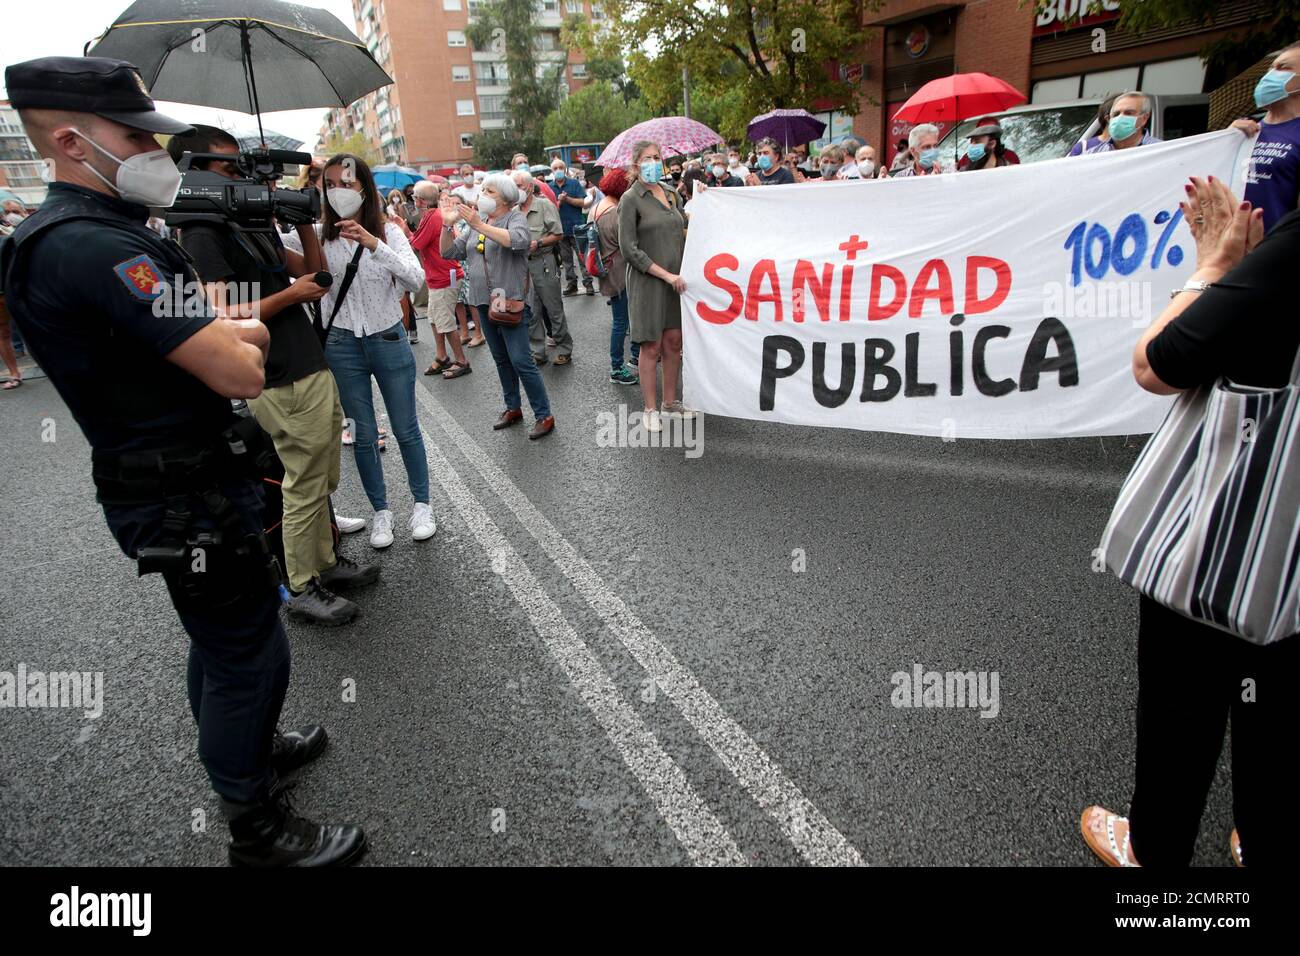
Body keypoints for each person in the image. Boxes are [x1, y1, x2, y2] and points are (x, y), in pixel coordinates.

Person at [0, 55, 365, 866]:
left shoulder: (93, 234)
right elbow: (240, 363)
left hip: (184, 477)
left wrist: (228, 328)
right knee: (249, 650)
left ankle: (247, 756)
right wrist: (241, 332)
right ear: (68, 140)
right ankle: (255, 826)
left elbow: (216, 323)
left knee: (221, 638)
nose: (152, 150)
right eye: (133, 135)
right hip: (180, 490)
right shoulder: (93, 248)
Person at [1083, 176, 1297, 869]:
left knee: (1186, 703)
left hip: (1234, 544)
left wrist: (1211, 266)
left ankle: (1155, 849)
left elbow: (1160, 361)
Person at [168, 124, 378, 626]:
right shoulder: (202, 231)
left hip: (307, 359)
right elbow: (219, 315)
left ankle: (326, 563)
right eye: (227, 165)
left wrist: (301, 215)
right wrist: (287, 297)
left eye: (241, 163)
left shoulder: (251, 220)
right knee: (303, 480)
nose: (239, 172)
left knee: (322, 472)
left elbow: (313, 268)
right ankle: (302, 586)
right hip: (277, 373)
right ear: (194, 171)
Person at [284, 153, 434, 550]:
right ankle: (381, 512)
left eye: (346, 183)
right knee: (363, 434)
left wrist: (373, 243)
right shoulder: (317, 236)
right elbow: (274, 250)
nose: (339, 191)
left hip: (387, 338)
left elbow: (416, 279)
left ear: (365, 188)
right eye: (330, 184)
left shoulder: (389, 232)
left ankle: (422, 505)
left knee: (406, 429)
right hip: (342, 344)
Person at [440, 173, 555, 439]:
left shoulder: (513, 218)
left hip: (506, 297)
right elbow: (449, 252)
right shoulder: (477, 224)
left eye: (489, 192)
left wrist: (479, 224)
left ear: (505, 198)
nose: (482, 196)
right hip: (482, 300)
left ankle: (544, 414)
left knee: (520, 360)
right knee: (501, 359)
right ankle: (513, 407)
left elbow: (518, 241)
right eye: (483, 191)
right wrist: (447, 226)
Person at [620, 140, 691, 432]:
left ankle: (670, 403)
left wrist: (707, 201)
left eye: (657, 157)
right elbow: (629, 249)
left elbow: (685, 228)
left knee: (674, 342)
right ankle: (650, 409)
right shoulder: (630, 199)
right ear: (636, 164)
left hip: (677, 281)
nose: (653, 162)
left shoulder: (672, 193)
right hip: (649, 282)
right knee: (652, 346)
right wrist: (665, 275)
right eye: (647, 158)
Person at [401, 180, 470, 379]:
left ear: (421, 201)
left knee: (445, 322)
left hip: (444, 277)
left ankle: (461, 360)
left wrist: (404, 229)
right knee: (434, 319)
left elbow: (416, 243)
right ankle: (442, 356)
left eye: (414, 197)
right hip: (438, 277)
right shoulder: (429, 216)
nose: (412, 200)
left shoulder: (433, 217)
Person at [1232, 41, 1300, 232]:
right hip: (1229, 250)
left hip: (1274, 254)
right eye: (1270, 68)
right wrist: (1226, 141)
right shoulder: (1241, 130)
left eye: (1282, 68)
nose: (1269, 75)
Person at [511, 168, 572, 366]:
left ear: (529, 187)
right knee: (531, 310)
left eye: (519, 186)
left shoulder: (544, 205)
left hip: (544, 261)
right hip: (522, 266)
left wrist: (539, 243)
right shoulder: (513, 212)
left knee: (553, 308)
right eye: (514, 187)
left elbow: (559, 234)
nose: (516, 190)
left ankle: (564, 347)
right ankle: (538, 350)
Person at [591, 167, 639, 385]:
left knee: (622, 319)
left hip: (608, 270)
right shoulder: (614, 212)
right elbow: (629, 242)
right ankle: (617, 367)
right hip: (620, 273)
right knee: (621, 321)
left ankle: (631, 357)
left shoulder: (598, 207)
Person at [549, 158, 593, 296]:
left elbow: (583, 202)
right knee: (566, 260)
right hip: (560, 229)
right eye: (555, 169)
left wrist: (568, 199)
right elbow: (550, 209)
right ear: (552, 171)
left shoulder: (574, 184)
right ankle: (572, 284)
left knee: (582, 258)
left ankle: (588, 283)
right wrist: (559, 202)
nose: (558, 171)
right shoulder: (549, 187)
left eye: (560, 167)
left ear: (565, 169)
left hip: (577, 226)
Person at [1083, 92, 1160, 153]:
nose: (1120, 118)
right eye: (1116, 114)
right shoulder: (1092, 154)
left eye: (1129, 113)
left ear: (1144, 118)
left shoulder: (1160, 151)